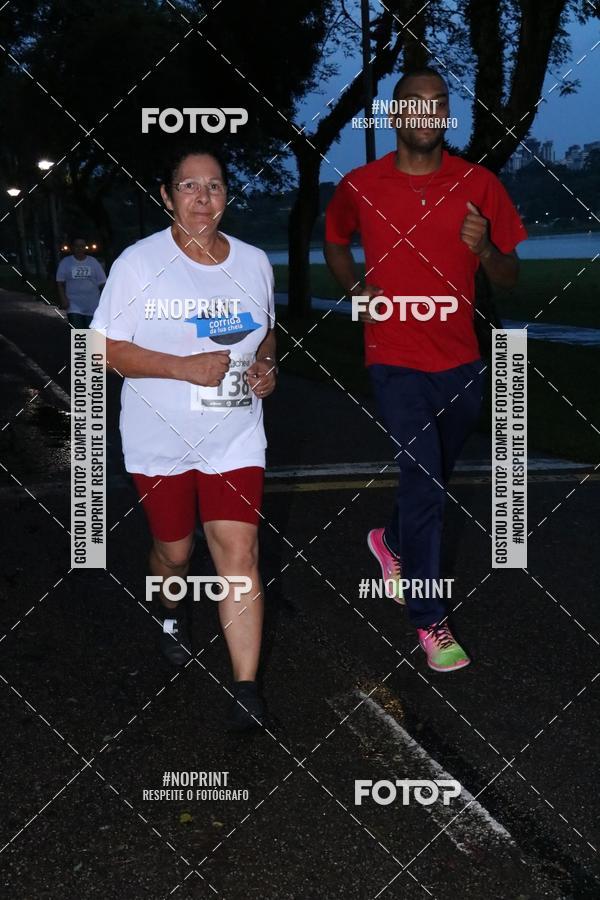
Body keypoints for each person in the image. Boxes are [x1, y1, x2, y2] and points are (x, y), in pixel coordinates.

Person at [324, 67, 527, 672]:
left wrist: (484, 247)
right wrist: (358, 291)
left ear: (445, 115)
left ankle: (388, 540)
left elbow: (509, 277)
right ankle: (429, 620)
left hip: (461, 360)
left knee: (431, 475)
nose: (425, 113)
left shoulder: (479, 185)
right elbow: (334, 239)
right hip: (393, 358)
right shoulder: (360, 185)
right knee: (427, 487)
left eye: (437, 103)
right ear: (394, 115)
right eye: (413, 103)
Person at [91, 143, 277, 730]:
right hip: (159, 440)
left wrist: (267, 366)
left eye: (216, 185)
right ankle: (168, 606)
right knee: (175, 551)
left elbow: (266, 332)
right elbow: (101, 349)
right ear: (168, 196)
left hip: (235, 435)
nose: (204, 197)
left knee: (240, 556)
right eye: (190, 186)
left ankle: (246, 689)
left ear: (227, 195)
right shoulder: (138, 264)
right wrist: (183, 367)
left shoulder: (253, 261)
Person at [56, 238, 106, 327]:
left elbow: (102, 283)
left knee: (94, 337)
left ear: (85, 248)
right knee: (80, 335)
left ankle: (93, 341)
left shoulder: (93, 262)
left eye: (82, 246)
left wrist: (105, 301)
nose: (79, 248)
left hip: (93, 304)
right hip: (74, 305)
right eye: (77, 246)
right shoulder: (65, 262)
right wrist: (63, 299)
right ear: (72, 248)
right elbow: (60, 282)